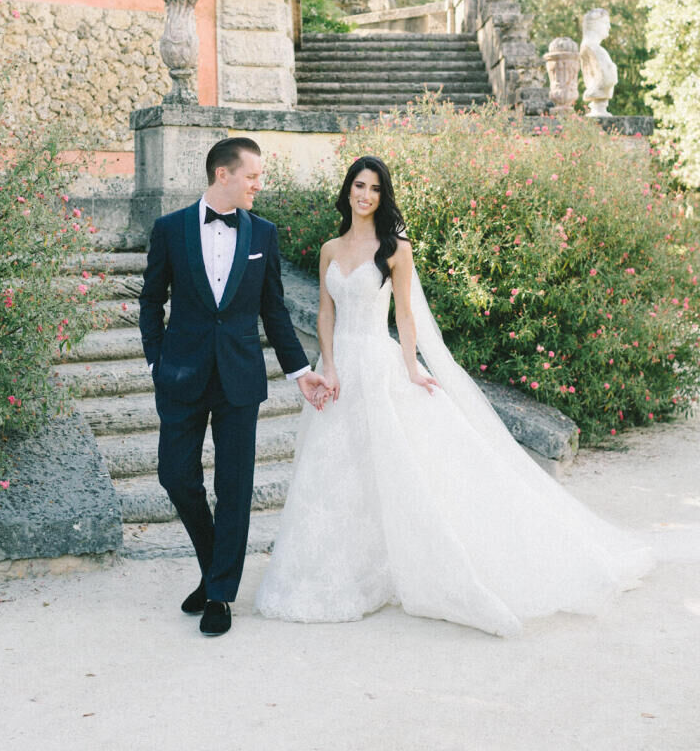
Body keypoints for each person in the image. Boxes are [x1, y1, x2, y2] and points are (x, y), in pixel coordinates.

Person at [254, 155, 654, 636]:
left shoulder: (395, 248)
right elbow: (324, 313)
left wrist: (410, 370)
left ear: (384, 196)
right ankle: (334, 571)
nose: (365, 195)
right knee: (334, 470)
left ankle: (399, 566)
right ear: (348, 191)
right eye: (359, 186)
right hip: (338, 372)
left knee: (391, 467)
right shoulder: (329, 248)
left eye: (375, 189)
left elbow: (405, 317)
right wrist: (330, 366)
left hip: (379, 367)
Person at [139, 136, 327, 637]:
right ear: (223, 174)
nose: (258, 185)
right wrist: (156, 360)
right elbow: (151, 299)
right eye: (252, 176)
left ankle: (220, 593)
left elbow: (275, 310)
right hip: (180, 373)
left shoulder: (263, 233)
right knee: (175, 476)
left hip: (240, 378)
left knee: (235, 486)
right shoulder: (170, 229)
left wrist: (299, 370)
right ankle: (212, 566)